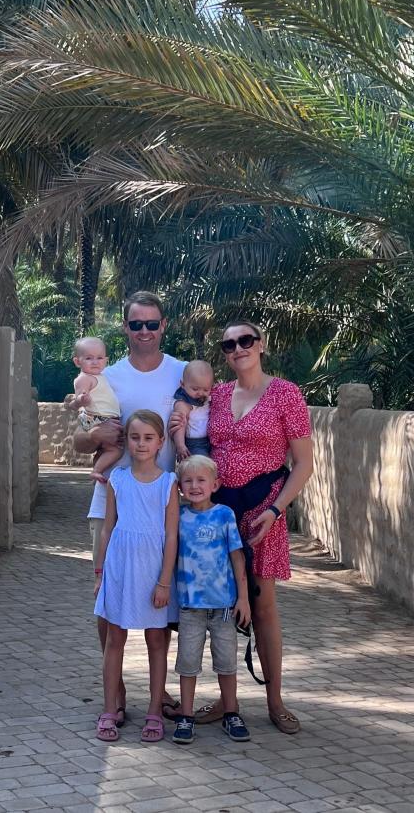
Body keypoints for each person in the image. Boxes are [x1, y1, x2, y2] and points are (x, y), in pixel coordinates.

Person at [193, 321, 314, 735]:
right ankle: (227, 702)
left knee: (262, 606)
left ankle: (275, 701)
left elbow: (302, 465)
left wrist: (277, 510)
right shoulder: (219, 394)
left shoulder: (286, 394)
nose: (238, 348)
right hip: (219, 512)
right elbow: (198, 444)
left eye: (245, 341)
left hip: (264, 510)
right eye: (229, 344)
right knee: (216, 605)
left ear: (260, 344)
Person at [74, 291, 186, 719]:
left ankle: (161, 697)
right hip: (112, 505)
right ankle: (115, 694)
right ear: (125, 328)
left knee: (164, 599)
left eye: (152, 324)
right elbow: (79, 439)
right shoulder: (107, 376)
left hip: (163, 506)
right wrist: (96, 439)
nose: (144, 332)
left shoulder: (179, 372)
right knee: (108, 601)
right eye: (136, 324)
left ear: (164, 326)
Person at [93, 410, 180, 742]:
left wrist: (164, 581)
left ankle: (155, 712)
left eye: (148, 438)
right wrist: (101, 573)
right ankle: (109, 708)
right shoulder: (118, 479)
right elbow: (108, 529)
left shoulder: (168, 482)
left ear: (160, 443)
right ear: (126, 441)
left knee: (156, 641)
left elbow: (171, 536)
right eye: (134, 437)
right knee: (115, 639)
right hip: (120, 569)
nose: (141, 444)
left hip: (152, 571)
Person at [170, 455, 250, 745]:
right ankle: (186, 715)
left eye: (201, 480)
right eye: (188, 481)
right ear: (179, 486)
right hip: (191, 606)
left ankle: (231, 712)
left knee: (227, 662)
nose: (194, 486)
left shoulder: (224, 514)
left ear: (215, 484)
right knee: (188, 662)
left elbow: (237, 557)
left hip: (224, 607)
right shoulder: (177, 515)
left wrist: (243, 599)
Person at [67, 336, 123, 483]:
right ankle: (97, 470)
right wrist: (81, 400)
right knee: (115, 450)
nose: (95, 362)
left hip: (103, 418)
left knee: (109, 449)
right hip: (98, 418)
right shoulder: (84, 378)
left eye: (99, 358)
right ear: (77, 361)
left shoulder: (100, 376)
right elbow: (75, 403)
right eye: (89, 358)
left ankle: (98, 469)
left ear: (106, 360)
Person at [171, 359, 214, 461]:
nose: (200, 393)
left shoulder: (206, 399)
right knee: (202, 465)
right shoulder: (184, 403)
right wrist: (180, 445)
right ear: (183, 384)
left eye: (205, 390)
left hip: (210, 441)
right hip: (194, 444)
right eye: (195, 389)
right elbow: (179, 425)